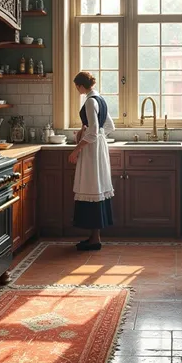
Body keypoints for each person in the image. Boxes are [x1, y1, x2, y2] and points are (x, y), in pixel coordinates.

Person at [68, 71, 115, 251]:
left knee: (90, 187)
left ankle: (94, 239)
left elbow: (94, 131)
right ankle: (94, 237)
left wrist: (76, 149)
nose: (76, 89)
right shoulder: (99, 99)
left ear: (80, 86)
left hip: (91, 151)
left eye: (76, 86)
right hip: (99, 148)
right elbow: (108, 126)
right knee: (96, 187)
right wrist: (86, 130)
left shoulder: (89, 101)